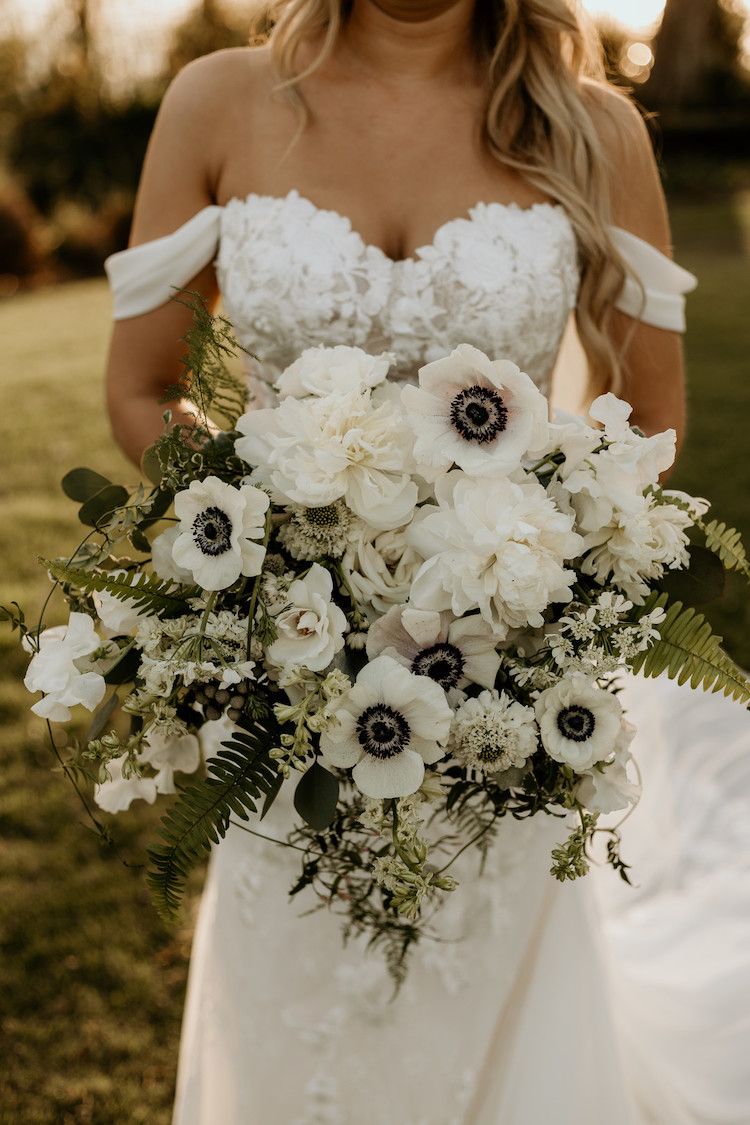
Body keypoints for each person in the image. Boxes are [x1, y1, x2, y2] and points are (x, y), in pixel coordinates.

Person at [104, 3, 750, 1122]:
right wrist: (259, 556)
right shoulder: (219, 100)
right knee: (297, 1000)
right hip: (285, 674)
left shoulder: (594, 131)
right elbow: (140, 386)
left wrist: (541, 571)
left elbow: (651, 417)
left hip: (506, 678)